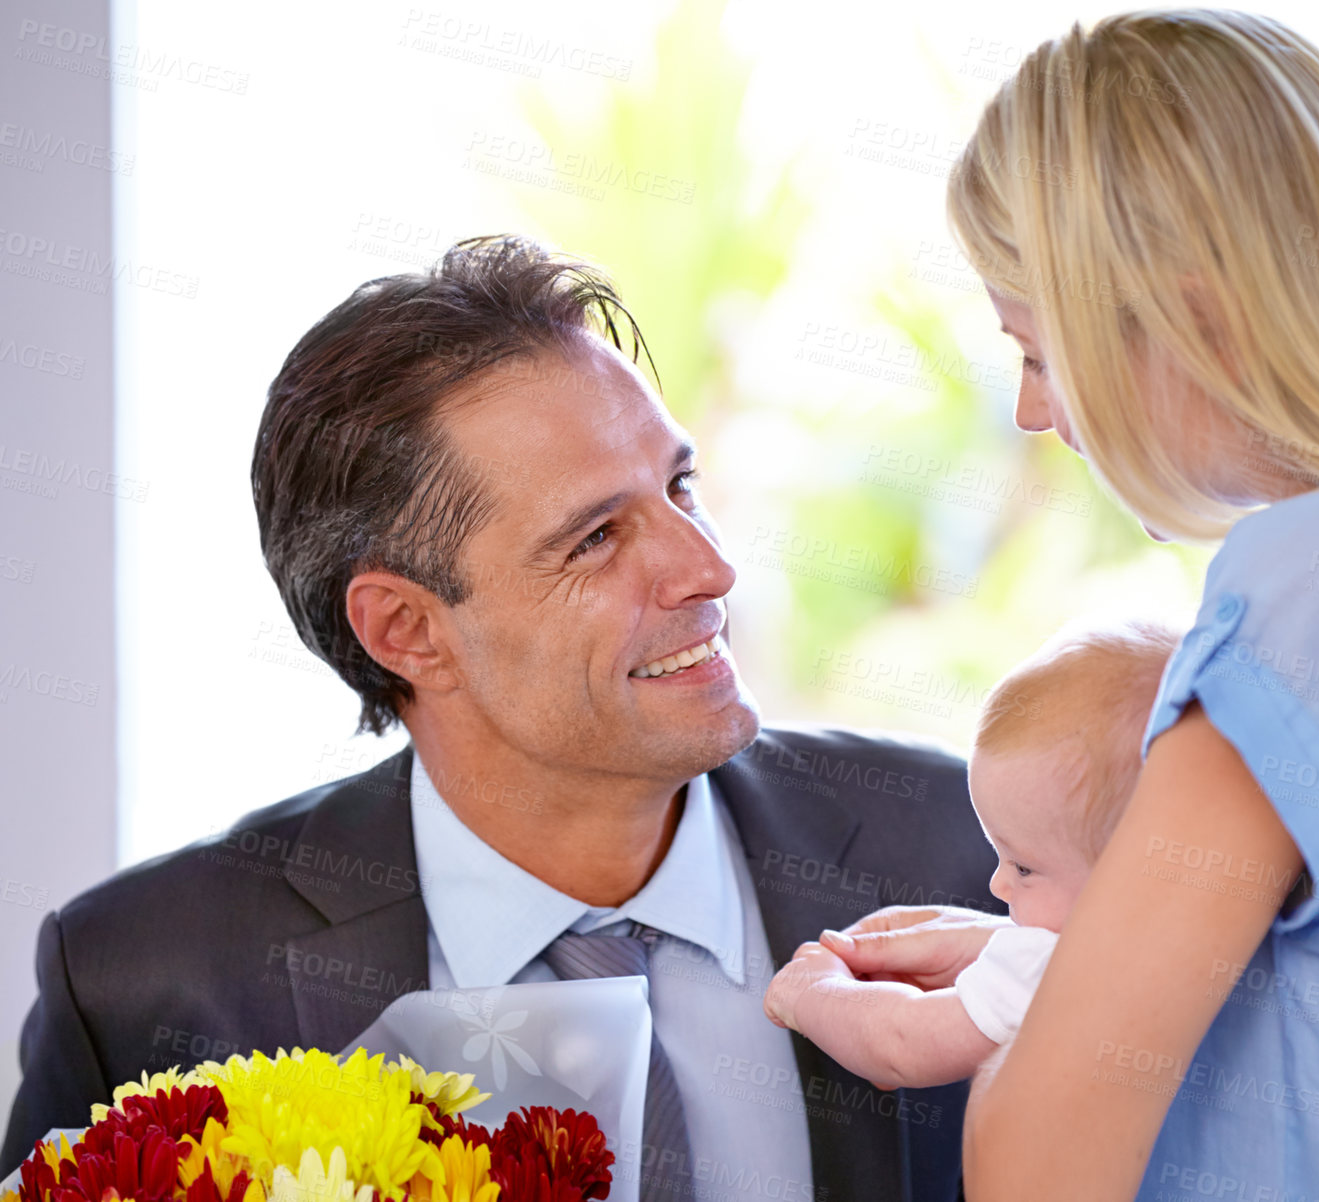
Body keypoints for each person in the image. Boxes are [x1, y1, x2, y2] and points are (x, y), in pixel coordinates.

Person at [791, 11, 1319, 1200]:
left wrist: (1037, 1001)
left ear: (1190, 321)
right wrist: (1044, 957)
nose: (1036, 415)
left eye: (1040, 352)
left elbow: (1038, 1166)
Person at [0, 236, 1001, 1202]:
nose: (710, 567)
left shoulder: (969, 851)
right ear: (406, 630)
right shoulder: (147, 979)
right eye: (597, 538)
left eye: (680, 485)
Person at [764, 624, 1177, 1088]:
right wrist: (993, 941)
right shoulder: (1216, 943)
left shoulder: (1056, 969)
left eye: (1024, 867)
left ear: (1128, 880)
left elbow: (902, 1042)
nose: (998, 885)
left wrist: (813, 992)